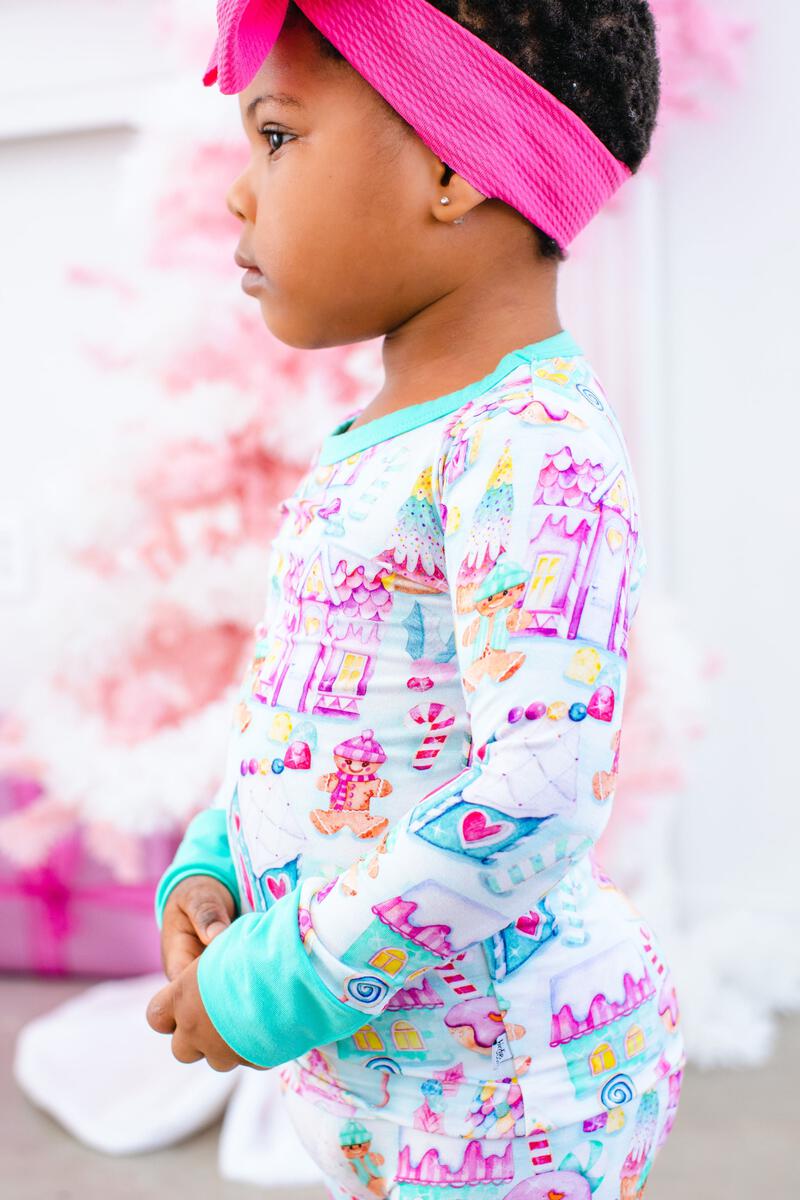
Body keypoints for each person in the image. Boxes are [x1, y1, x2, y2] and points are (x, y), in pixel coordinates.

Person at [145, 3, 686, 1196]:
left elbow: (538, 789)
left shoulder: (532, 447)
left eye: (276, 137)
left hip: (513, 1097)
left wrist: (284, 977)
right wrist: (220, 857)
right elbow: (320, 719)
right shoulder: (382, 443)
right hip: (384, 1086)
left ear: (452, 169)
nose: (237, 193)